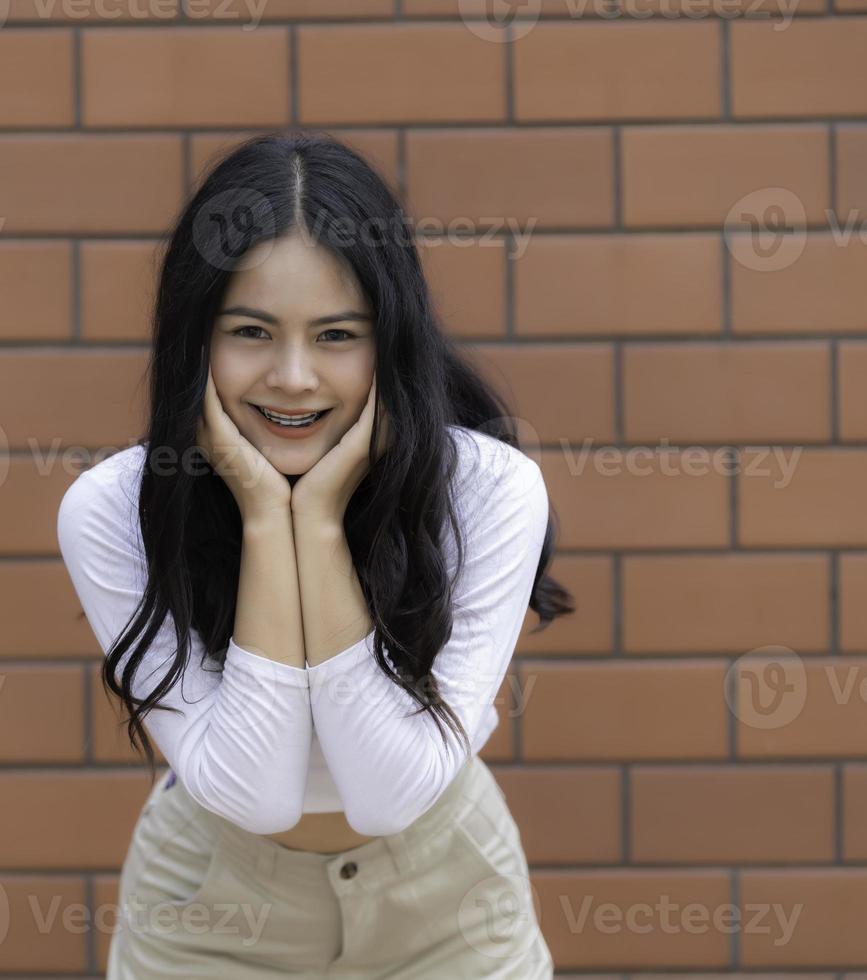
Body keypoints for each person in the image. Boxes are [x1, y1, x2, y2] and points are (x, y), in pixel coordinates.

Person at [56, 129, 572, 978]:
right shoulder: (114, 510)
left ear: (391, 338)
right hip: (213, 900)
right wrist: (266, 516)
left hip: (445, 896)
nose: (292, 378)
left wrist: (320, 523)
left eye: (336, 335)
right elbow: (250, 793)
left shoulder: (486, 492)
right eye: (252, 331)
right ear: (195, 338)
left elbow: (388, 793)